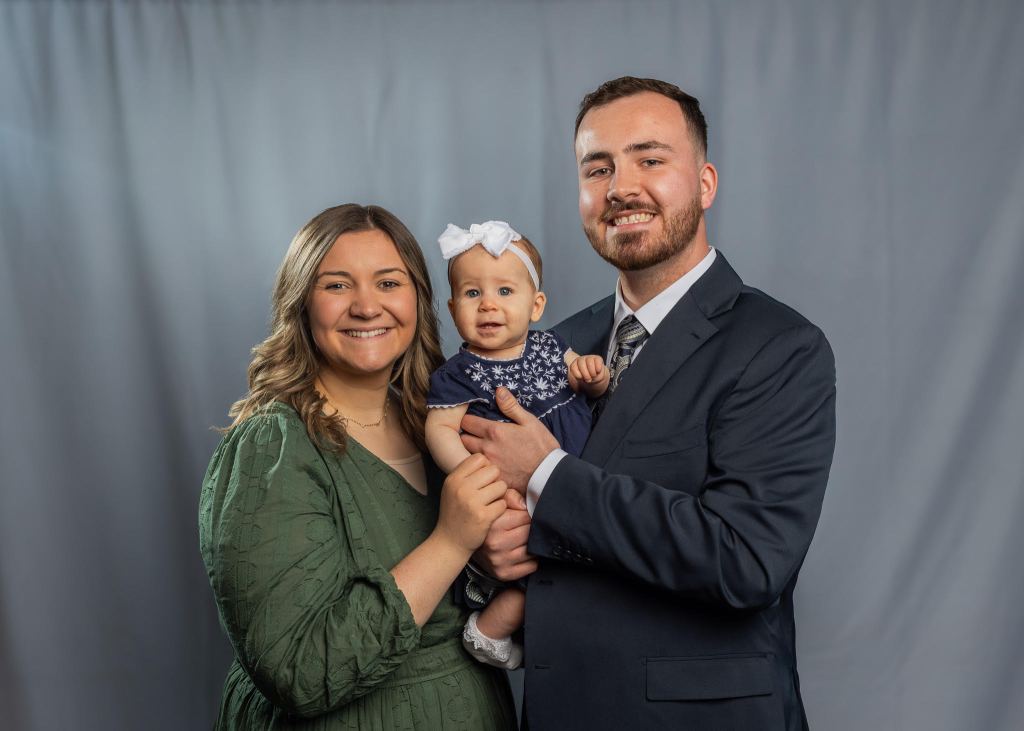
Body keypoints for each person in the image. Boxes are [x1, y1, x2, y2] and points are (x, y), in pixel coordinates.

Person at [460, 77, 837, 729]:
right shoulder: (550, 346)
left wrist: (547, 474)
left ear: (705, 183)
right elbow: (505, 526)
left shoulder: (779, 346)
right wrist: (487, 557)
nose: (620, 187)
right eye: (597, 168)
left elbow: (746, 561)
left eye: (650, 159)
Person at [198, 204, 517, 730]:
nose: (367, 307)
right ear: (301, 303)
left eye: (388, 283)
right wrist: (451, 542)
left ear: (418, 299)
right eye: (337, 285)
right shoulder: (273, 446)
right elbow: (299, 670)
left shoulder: (441, 426)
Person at [424, 220, 608, 670]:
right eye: (472, 293)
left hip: (574, 479)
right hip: (512, 490)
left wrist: (592, 376)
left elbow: (588, 384)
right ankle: (489, 630)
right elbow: (439, 429)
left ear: (536, 305)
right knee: (537, 560)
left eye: (505, 291)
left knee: (577, 557)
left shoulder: (551, 346)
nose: (488, 304)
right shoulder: (459, 374)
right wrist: (476, 473)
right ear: (453, 309)